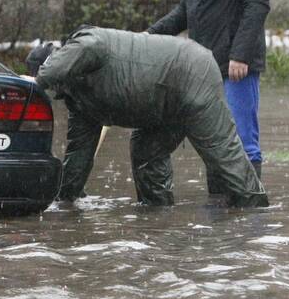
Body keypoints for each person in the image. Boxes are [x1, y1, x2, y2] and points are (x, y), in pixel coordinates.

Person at [35, 26, 268, 208]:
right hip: (158, 104)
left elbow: (82, 50)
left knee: (222, 152)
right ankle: (158, 214)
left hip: (191, 70)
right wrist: (63, 200)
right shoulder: (79, 100)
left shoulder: (87, 44)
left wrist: (35, 83)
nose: (56, 91)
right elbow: (78, 156)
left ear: (60, 62)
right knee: (146, 151)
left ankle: (257, 211)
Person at [148, 0, 270, 186]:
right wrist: (148, 35)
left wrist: (240, 55)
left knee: (241, 141)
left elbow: (258, 4)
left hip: (237, 68)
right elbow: (183, 13)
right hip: (204, 69)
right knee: (215, 142)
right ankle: (220, 211)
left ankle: (248, 211)